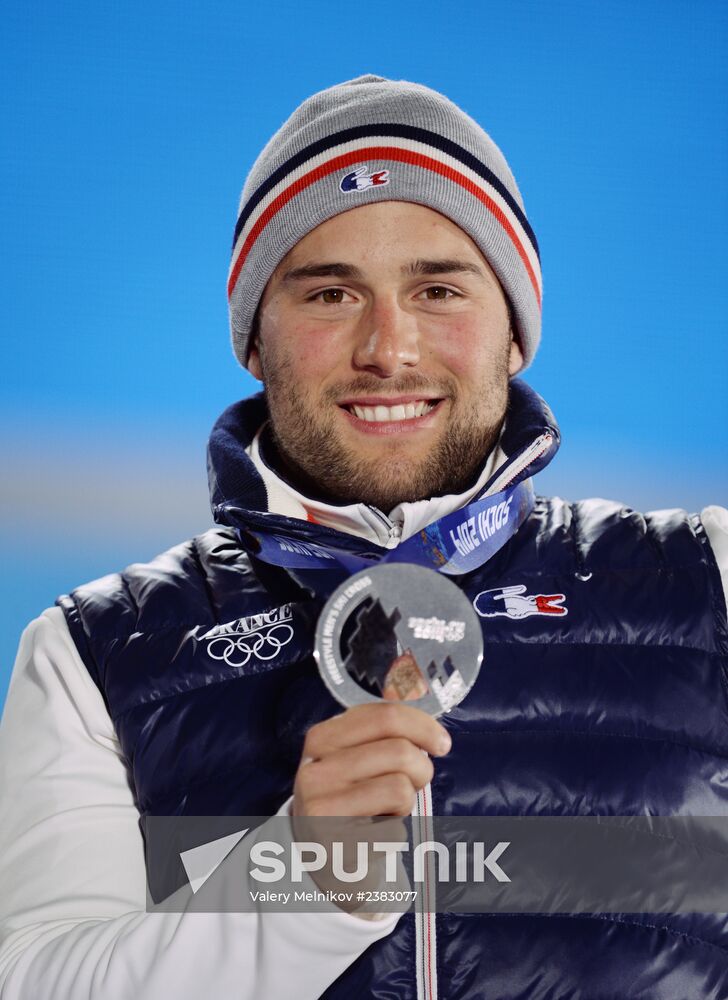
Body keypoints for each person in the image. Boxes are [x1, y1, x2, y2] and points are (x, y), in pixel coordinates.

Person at [1, 73, 727, 1000]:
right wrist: (298, 882)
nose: (390, 347)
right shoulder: (95, 653)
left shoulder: (707, 581)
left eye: (437, 288)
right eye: (331, 294)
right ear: (254, 341)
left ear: (516, 333)